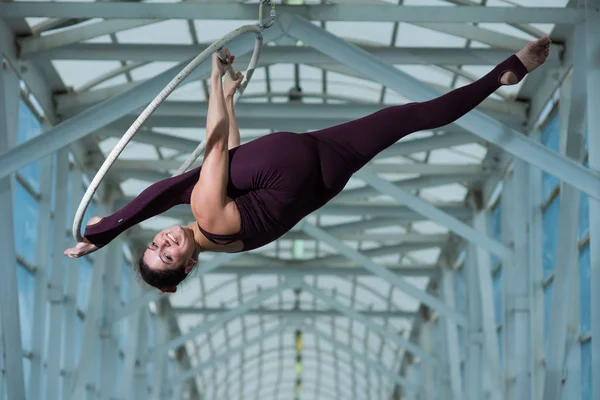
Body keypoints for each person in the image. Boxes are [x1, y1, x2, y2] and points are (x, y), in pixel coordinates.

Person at [65, 37, 552, 293]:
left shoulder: (221, 235)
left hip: (322, 170)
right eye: (167, 255)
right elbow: (215, 152)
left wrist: (230, 102)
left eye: (155, 243)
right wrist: (213, 82)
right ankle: (105, 230)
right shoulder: (207, 217)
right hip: (290, 166)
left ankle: (502, 75)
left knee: (407, 119)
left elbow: (233, 162)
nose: (165, 240)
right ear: (189, 266)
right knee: (182, 184)